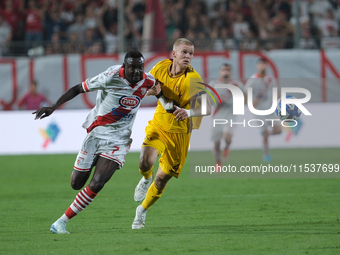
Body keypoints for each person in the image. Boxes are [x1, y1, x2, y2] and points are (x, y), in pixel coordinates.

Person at [33, 51, 159, 234]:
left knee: (98, 182)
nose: (137, 71)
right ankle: (91, 161)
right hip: (97, 133)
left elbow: (158, 91)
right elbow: (77, 88)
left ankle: (61, 222)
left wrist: (174, 108)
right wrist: (53, 107)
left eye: (140, 67)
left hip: (119, 139)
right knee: (76, 183)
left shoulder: (148, 80)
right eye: (132, 67)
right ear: (125, 66)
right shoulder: (110, 76)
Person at [132, 38, 211, 229]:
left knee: (162, 179)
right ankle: (145, 178)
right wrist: (148, 92)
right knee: (144, 162)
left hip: (180, 132)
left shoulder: (193, 79)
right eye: (184, 52)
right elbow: (148, 87)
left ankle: (141, 211)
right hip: (160, 125)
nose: (188, 56)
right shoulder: (160, 67)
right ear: (173, 54)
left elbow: (206, 107)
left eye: (191, 53)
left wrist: (189, 112)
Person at [244, 58, 281, 162]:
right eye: (260, 64)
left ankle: (265, 134)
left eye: (264, 64)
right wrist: (251, 101)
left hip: (269, 110)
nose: (262, 66)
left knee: (278, 130)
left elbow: (276, 93)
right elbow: (245, 94)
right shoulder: (252, 80)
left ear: (267, 66)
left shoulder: (271, 80)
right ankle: (266, 154)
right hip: (258, 111)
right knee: (265, 133)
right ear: (257, 66)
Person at [209, 63, 245, 168]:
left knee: (227, 136)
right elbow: (208, 98)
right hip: (218, 115)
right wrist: (217, 101)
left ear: (231, 72)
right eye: (224, 69)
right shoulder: (214, 84)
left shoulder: (237, 84)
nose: (226, 72)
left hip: (231, 115)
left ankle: (227, 147)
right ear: (220, 72)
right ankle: (218, 162)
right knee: (216, 143)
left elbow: (244, 97)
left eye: (228, 70)